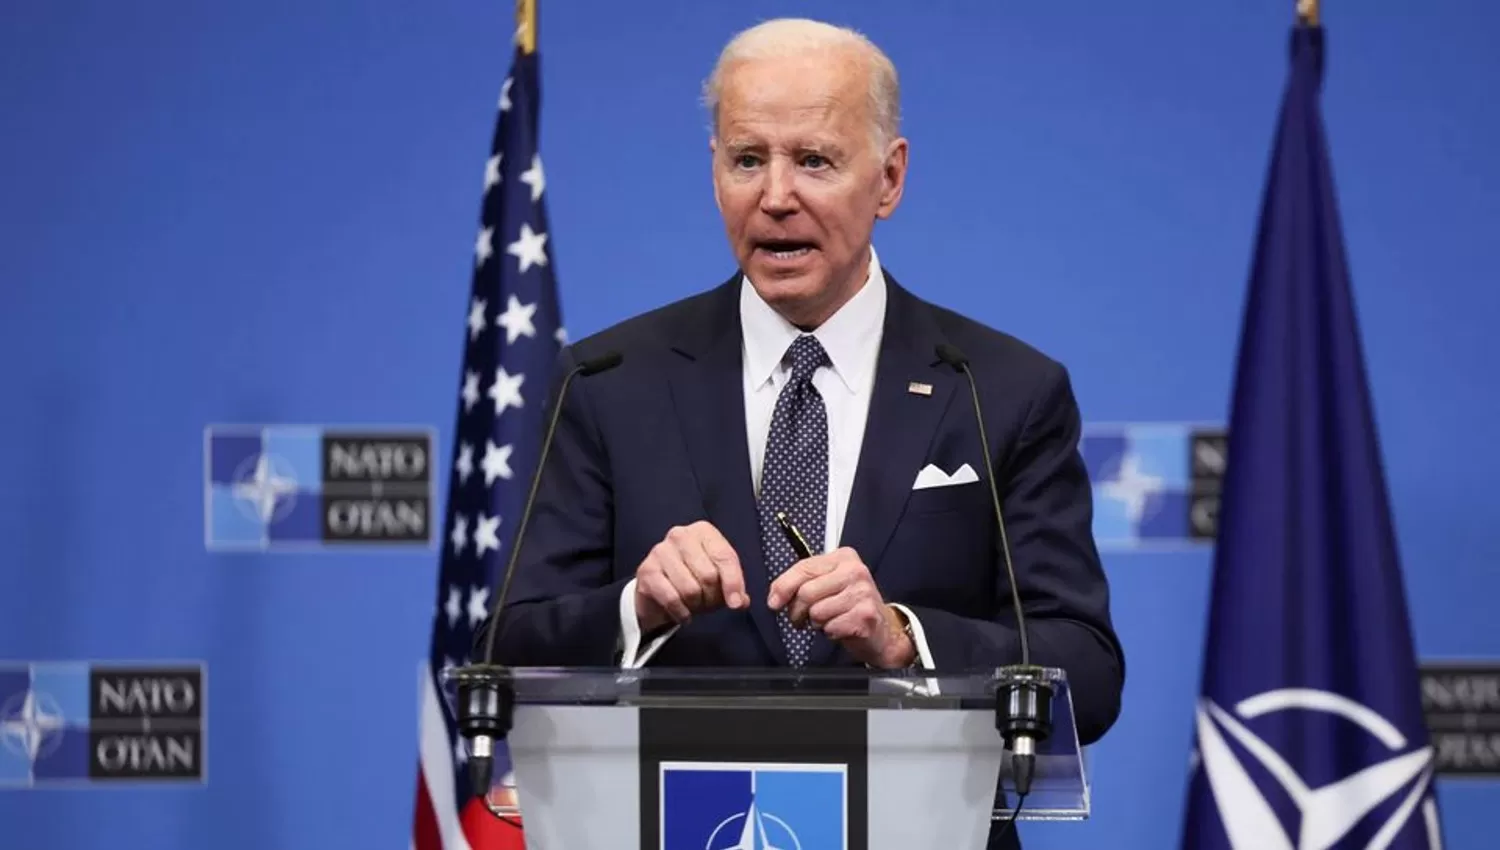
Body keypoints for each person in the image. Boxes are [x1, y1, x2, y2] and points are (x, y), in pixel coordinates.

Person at [483, 18, 1124, 846]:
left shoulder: (1000, 391)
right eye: (747, 159)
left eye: (814, 160)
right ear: (714, 172)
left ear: (889, 180)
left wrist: (904, 641)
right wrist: (638, 607)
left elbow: (1088, 672)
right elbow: (504, 651)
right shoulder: (606, 383)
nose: (775, 195)